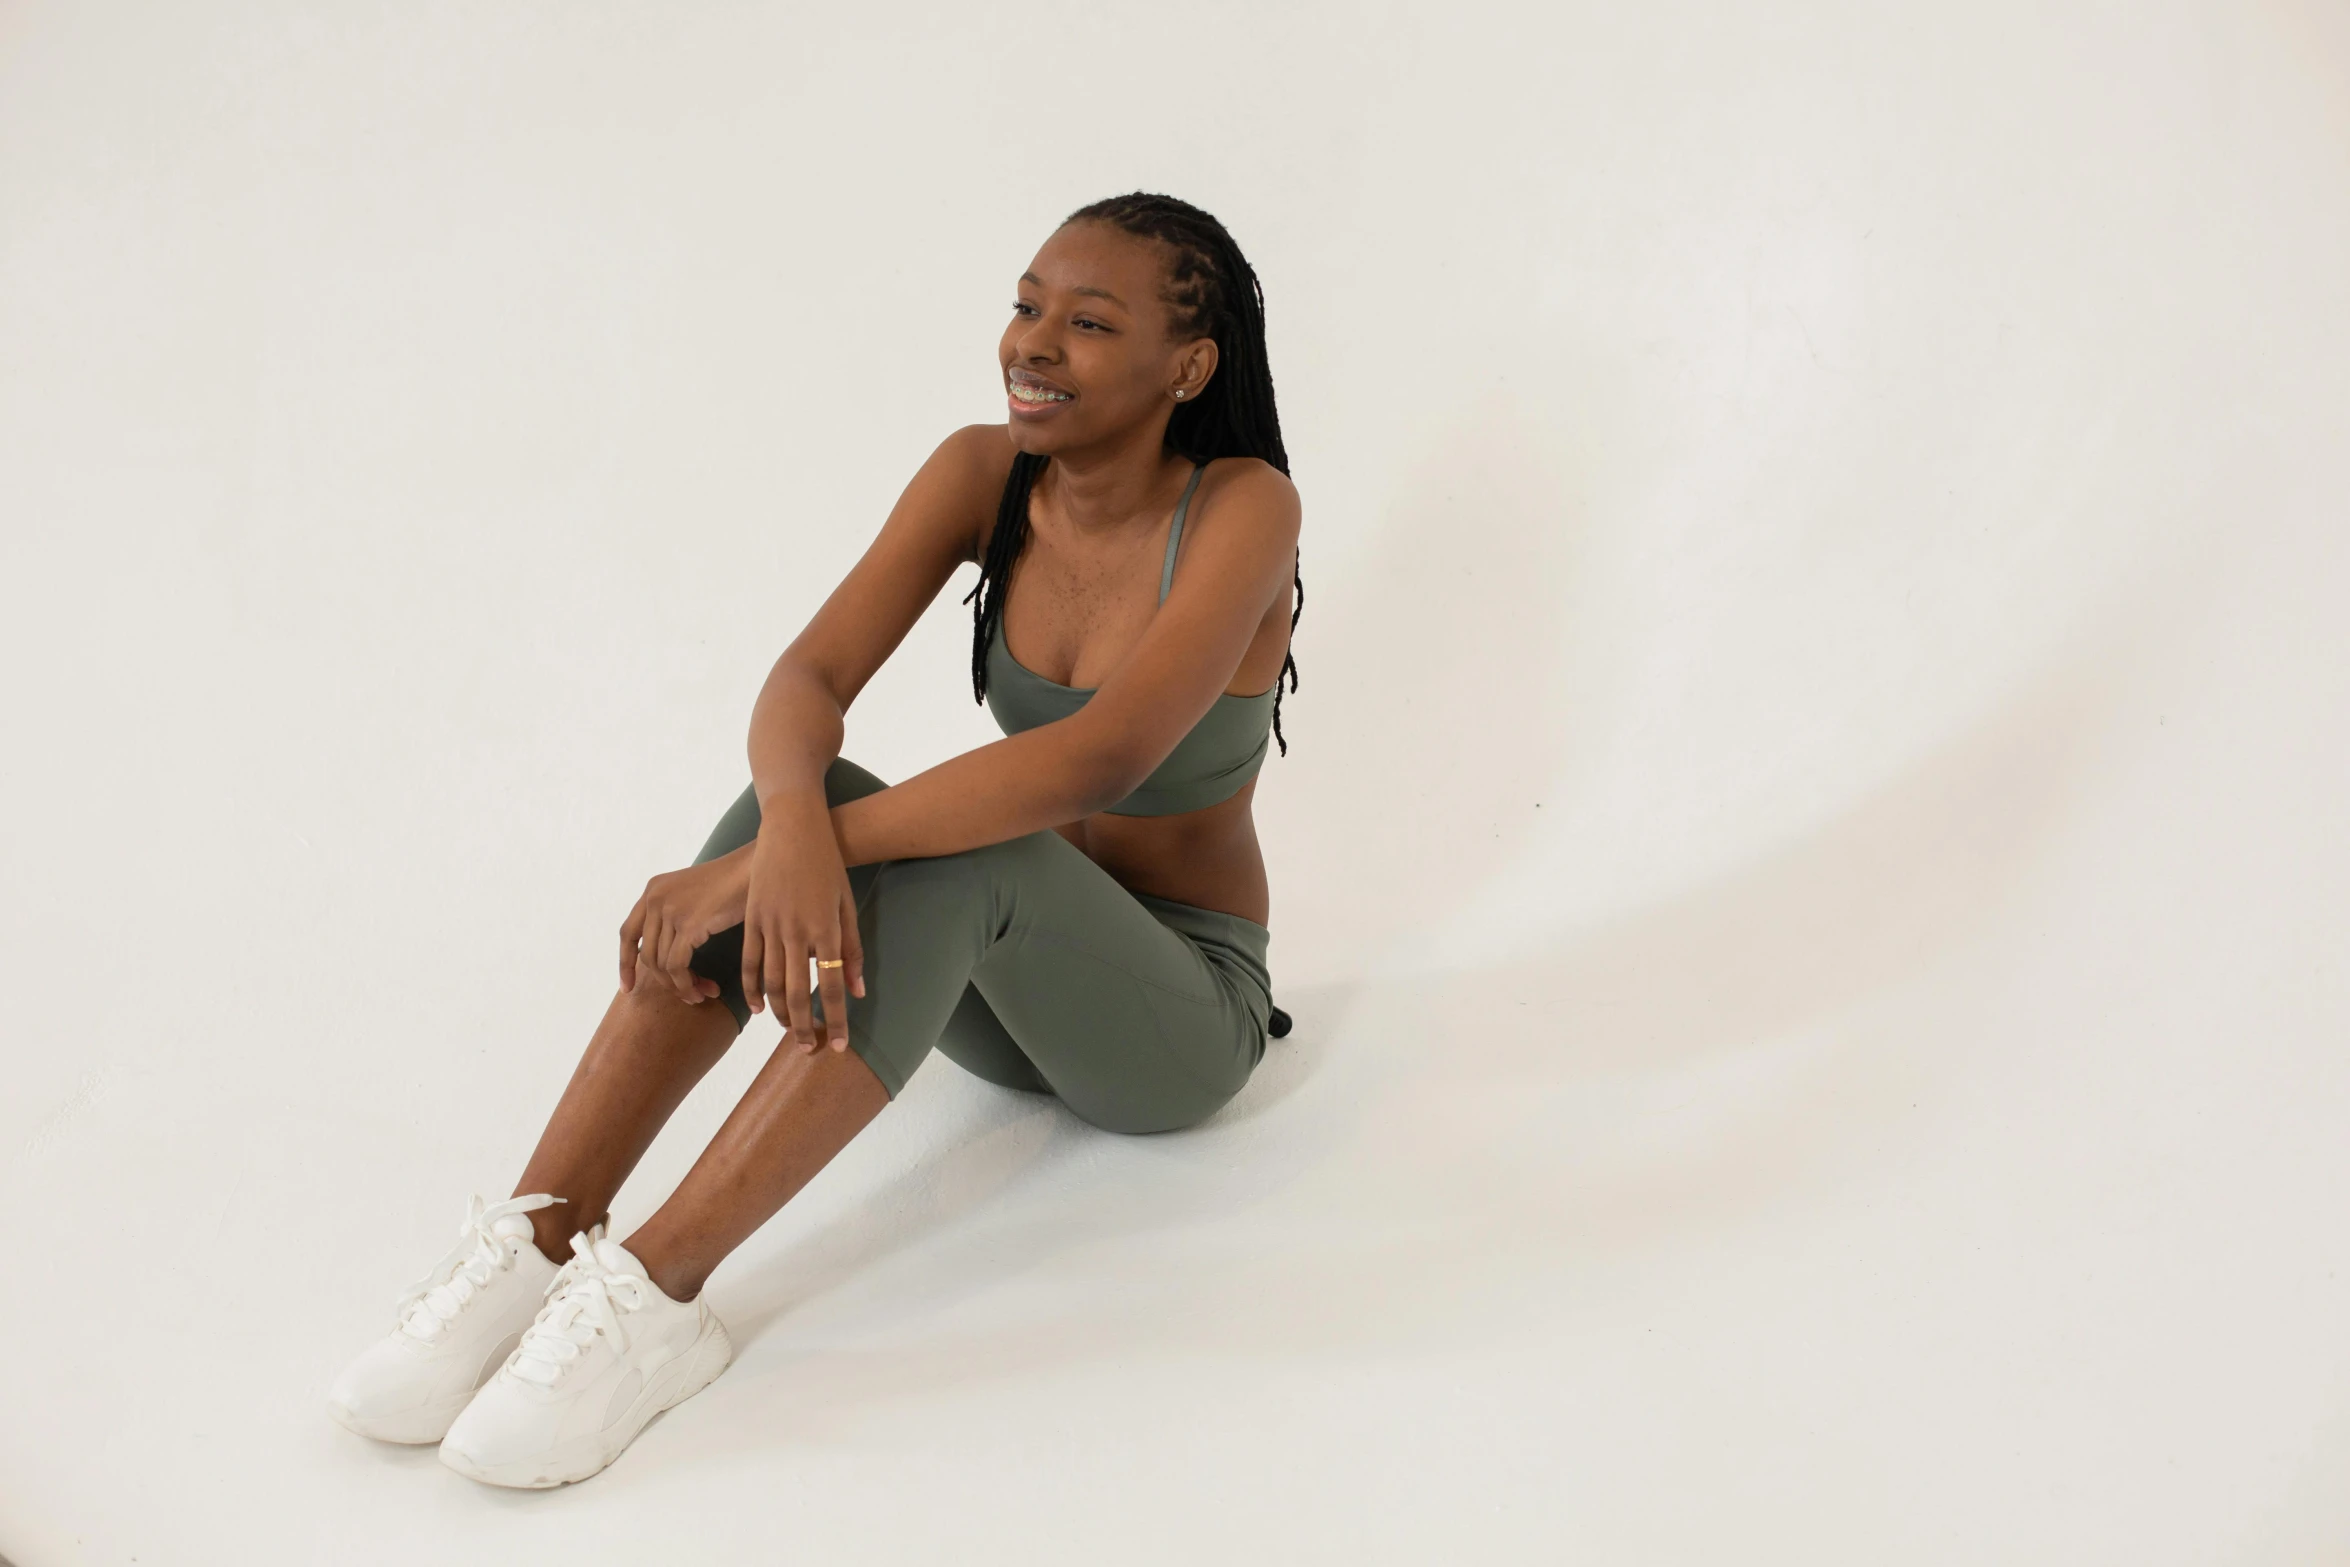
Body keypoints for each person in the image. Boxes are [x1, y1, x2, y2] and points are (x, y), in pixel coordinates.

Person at [324, 191, 1305, 1488]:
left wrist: (780, 858)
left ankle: (657, 1301)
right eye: (1023, 305)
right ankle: (543, 1232)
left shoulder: (1242, 507)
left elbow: (1093, 757)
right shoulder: (981, 473)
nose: (1030, 343)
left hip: (1172, 1022)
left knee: (962, 840)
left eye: (1085, 321)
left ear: (1186, 365)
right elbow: (807, 678)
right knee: (808, 793)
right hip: (1000, 994)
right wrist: (786, 830)